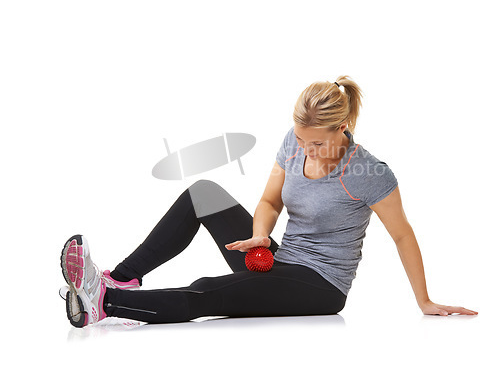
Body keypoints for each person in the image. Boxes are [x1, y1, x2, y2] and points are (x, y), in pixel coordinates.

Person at [59, 76, 478, 327]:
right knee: (202, 194)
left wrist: (424, 301)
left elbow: (403, 236)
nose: (305, 149)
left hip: (319, 286)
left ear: (344, 128)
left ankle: (101, 303)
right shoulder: (294, 143)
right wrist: (260, 234)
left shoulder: (370, 173)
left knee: (209, 290)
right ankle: (123, 278)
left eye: (316, 142)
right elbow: (269, 201)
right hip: (277, 259)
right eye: (300, 139)